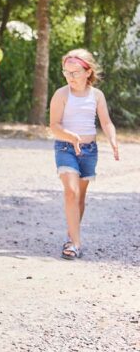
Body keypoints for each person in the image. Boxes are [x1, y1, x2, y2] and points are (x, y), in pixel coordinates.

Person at [48, 48, 119, 260]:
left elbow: (105, 122)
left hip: (89, 151)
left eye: (75, 72)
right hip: (65, 148)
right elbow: (54, 125)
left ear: (88, 72)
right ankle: (75, 244)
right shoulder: (61, 94)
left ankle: (71, 236)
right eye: (66, 72)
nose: (70, 77)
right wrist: (71, 136)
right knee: (71, 191)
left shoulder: (97, 96)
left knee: (80, 196)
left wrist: (113, 140)